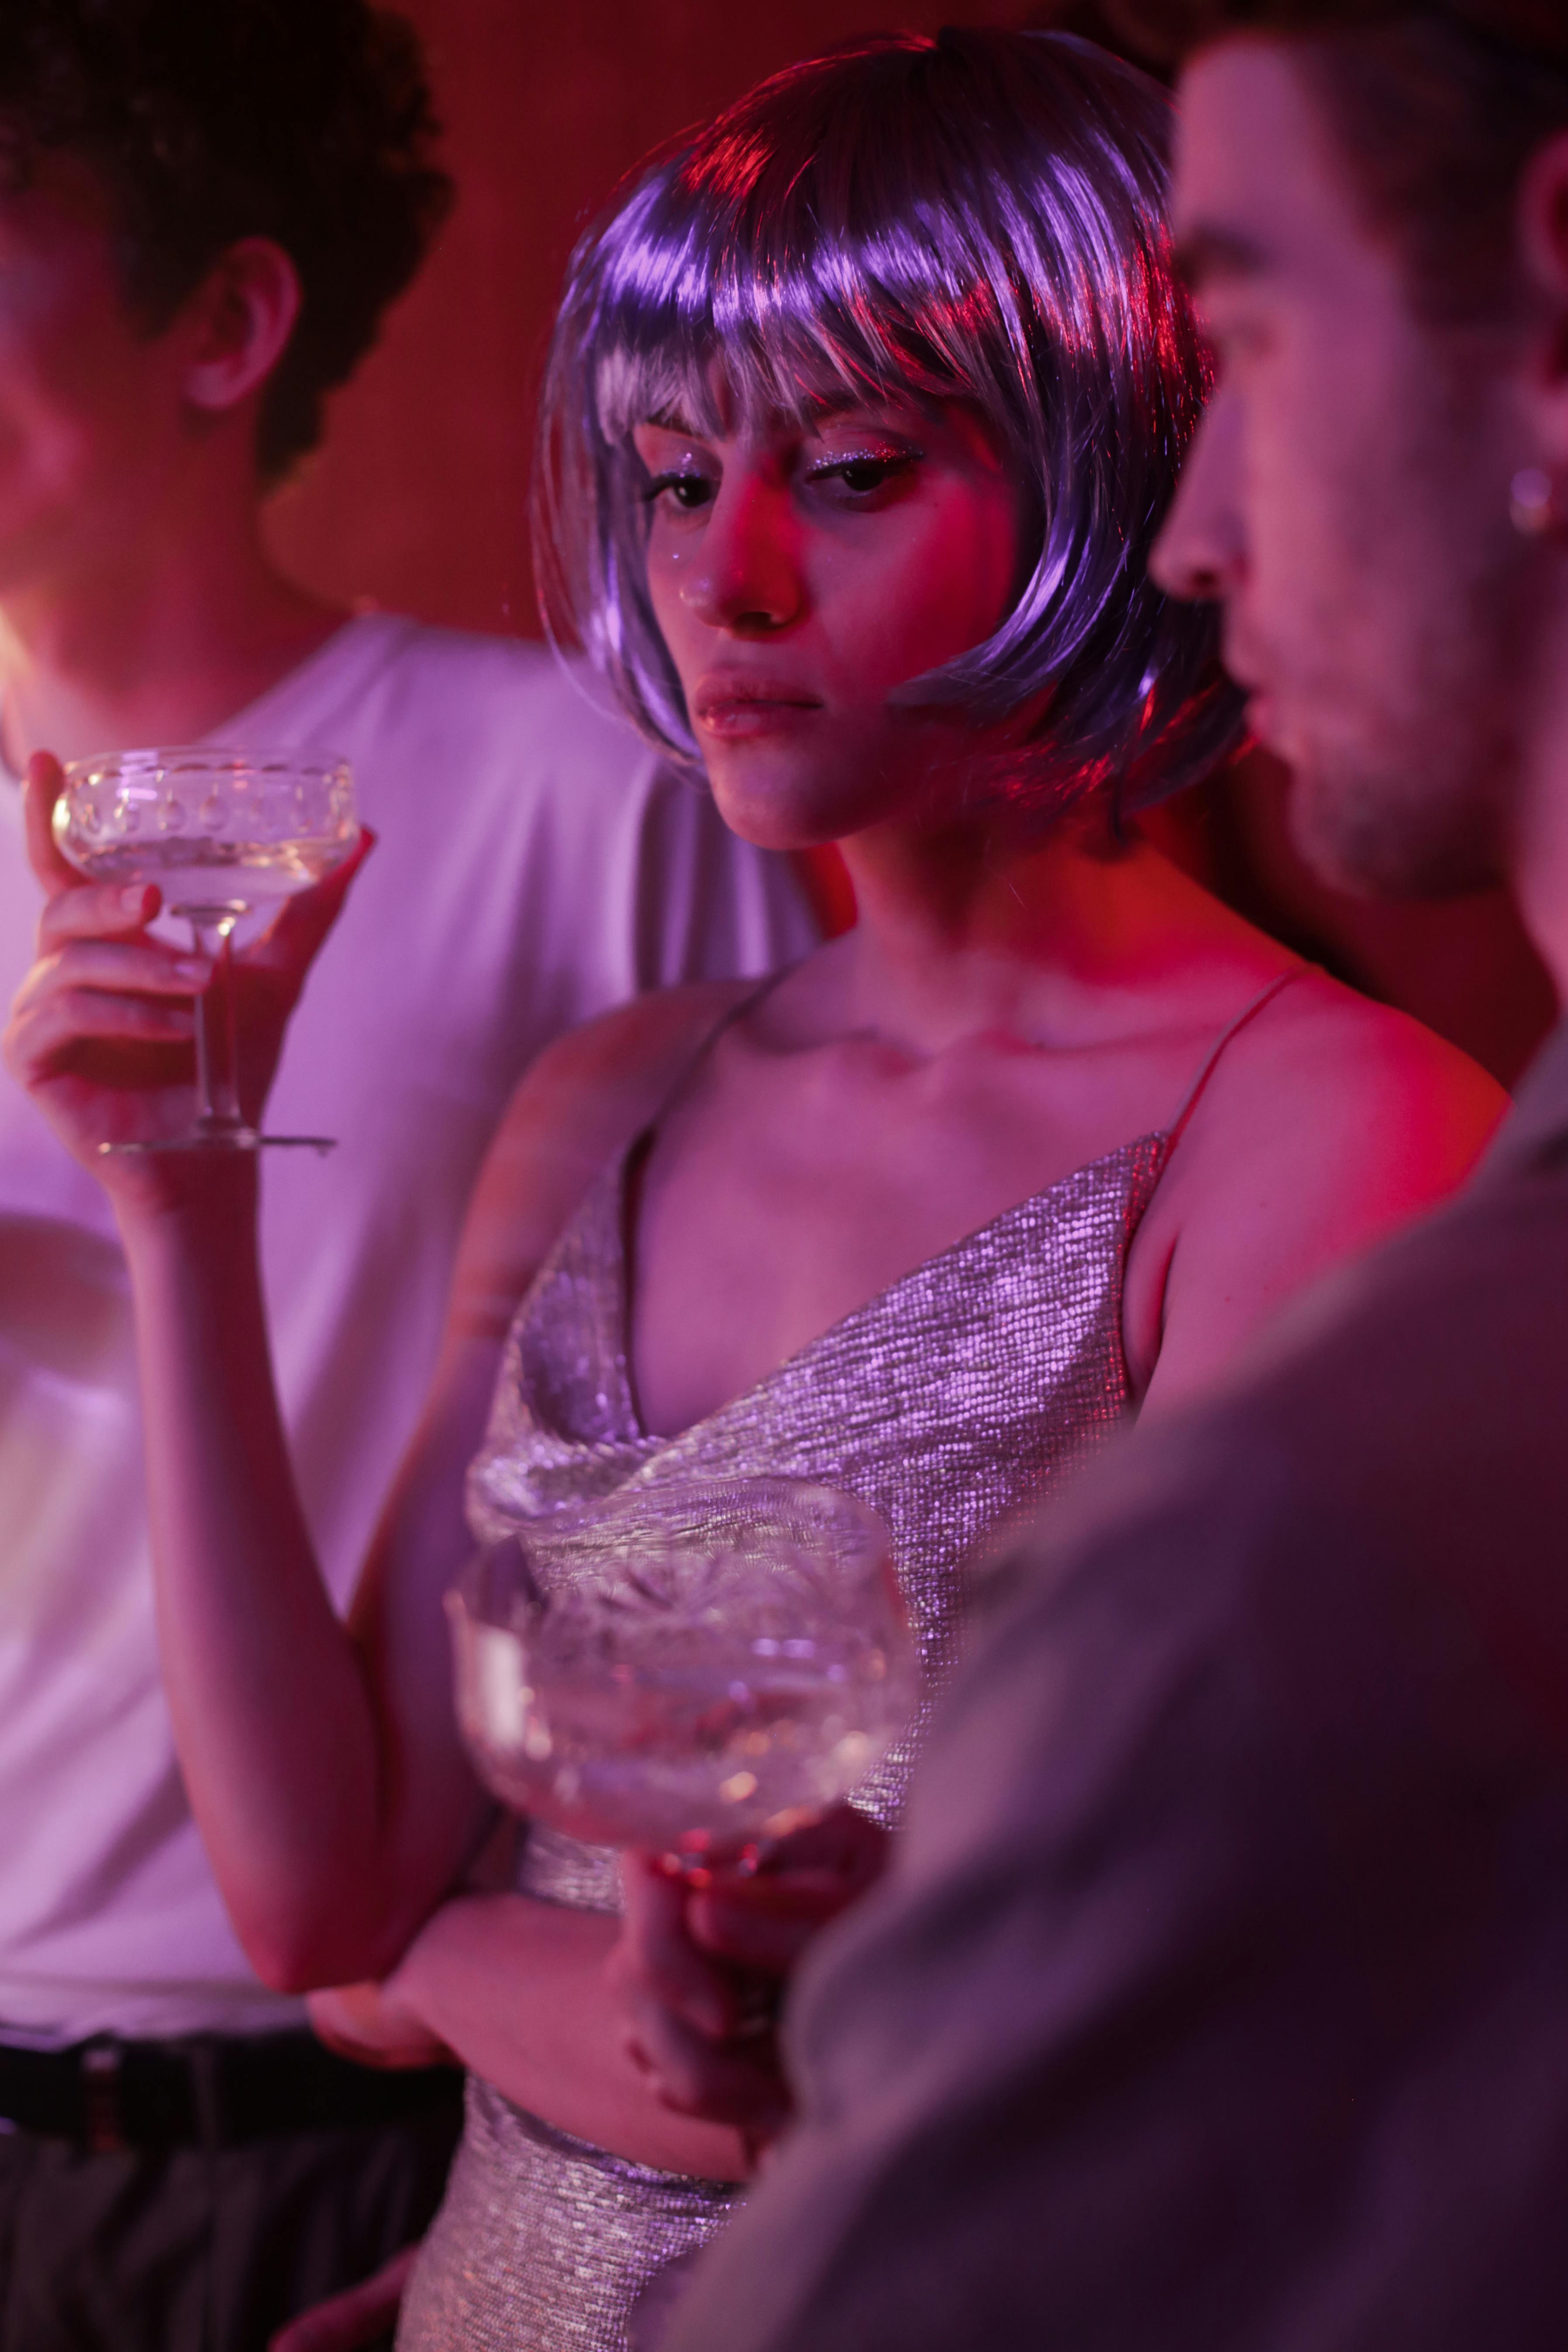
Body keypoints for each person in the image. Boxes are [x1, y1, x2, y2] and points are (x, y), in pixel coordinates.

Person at [3, 25, 1508, 2352]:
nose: (736, 577)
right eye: (674, 479)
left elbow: (1192, 2052)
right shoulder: (613, 1094)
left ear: (1126, 461)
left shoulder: (1333, 1128)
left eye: (857, 467)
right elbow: (311, 1898)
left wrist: (469, 1986)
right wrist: (180, 1197)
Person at [600, 6, 1568, 2349]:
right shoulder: (625, 1092)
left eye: (1231, 337)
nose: (1194, 529)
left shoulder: (1316, 1464)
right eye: (659, 472)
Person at [0, 5, 814, 2349]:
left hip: (380, 2117)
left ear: (226, 324)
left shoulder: (587, 797)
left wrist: (547, 2188)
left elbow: (751, 1517)